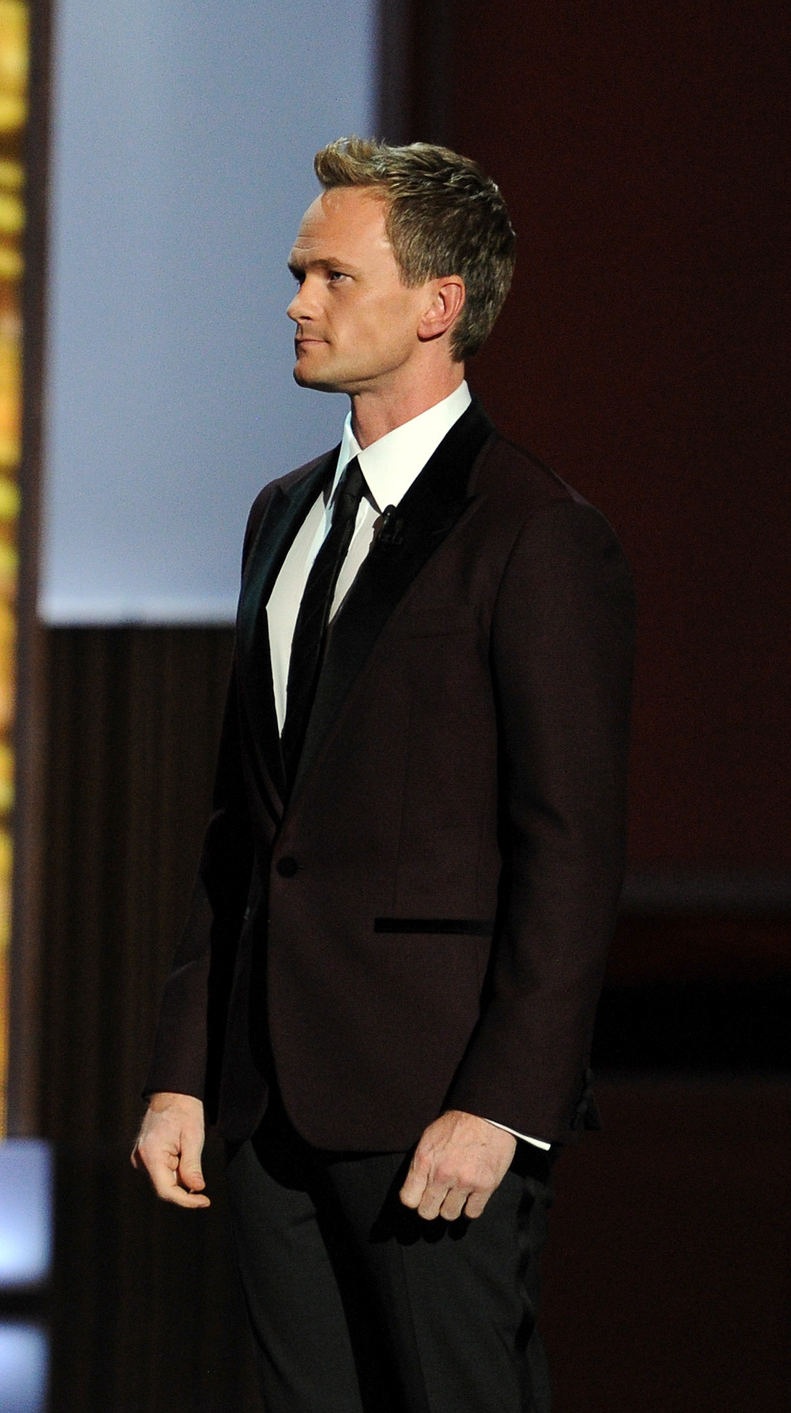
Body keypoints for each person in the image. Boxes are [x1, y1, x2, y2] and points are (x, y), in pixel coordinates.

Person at [132, 138, 635, 1412]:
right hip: (265, 1103)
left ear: (436, 306)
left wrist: (500, 1105)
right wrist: (186, 1066)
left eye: (329, 275)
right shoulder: (280, 513)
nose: (296, 302)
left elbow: (567, 849)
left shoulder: (535, 534)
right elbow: (241, 828)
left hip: (432, 1105)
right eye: (297, 273)